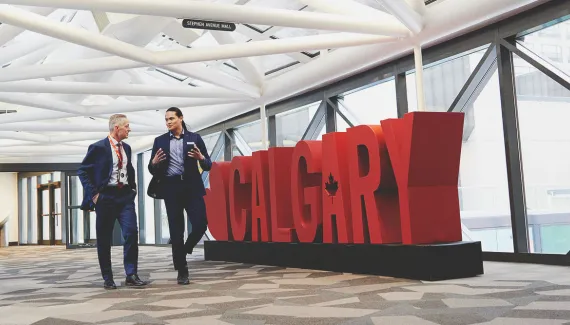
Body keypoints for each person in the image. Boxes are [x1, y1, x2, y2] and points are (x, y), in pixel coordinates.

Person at [78, 114, 147, 289]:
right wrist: (94, 195)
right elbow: (83, 171)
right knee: (104, 238)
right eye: (127, 126)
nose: (129, 129)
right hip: (105, 197)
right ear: (117, 128)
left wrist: (132, 189)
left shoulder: (128, 148)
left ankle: (131, 274)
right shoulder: (98, 147)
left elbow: (127, 168)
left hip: (124, 196)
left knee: (131, 232)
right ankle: (107, 277)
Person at [147, 107, 212, 285]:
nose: (168, 122)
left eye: (171, 119)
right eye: (166, 119)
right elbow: (151, 169)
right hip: (171, 187)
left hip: (192, 187)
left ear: (181, 118)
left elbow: (208, 165)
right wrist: (153, 163)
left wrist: (200, 157)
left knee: (200, 224)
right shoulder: (159, 141)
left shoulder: (195, 138)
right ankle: (182, 271)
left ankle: (184, 250)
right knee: (177, 231)